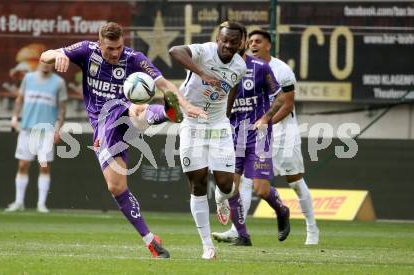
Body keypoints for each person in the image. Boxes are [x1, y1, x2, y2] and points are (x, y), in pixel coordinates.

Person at [40, 22, 205, 258]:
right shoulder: (87, 51)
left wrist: (185, 105)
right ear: (100, 44)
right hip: (103, 127)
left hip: (123, 111)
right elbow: (44, 56)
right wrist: (56, 55)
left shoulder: (134, 58)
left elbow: (164, 84)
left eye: (119, 47)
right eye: (110, 49)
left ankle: (166, 113)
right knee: (116, 187)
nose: (115, 53)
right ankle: (151, 241)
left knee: (133, 108)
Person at [213, 29, 319, 245]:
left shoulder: (279, 70)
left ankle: (311, 229)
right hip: (243, 132)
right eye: (250, 41)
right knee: (239, 183)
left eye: (257, 41)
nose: (253, 44)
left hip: (280, 131)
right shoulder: (228, 69)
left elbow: (287, 103)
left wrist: (265, 122)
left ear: (268, 45)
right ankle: (239, 231)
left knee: (293, 182)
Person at [169, 21, 251, 259]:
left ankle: (222, 199)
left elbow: (233, 88)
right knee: (198, 184)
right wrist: (202, 72)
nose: (227, 45)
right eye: (223, 40)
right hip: (192, 123)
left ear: (241, 43)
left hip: (218, 125)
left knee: (226, 185)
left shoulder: (240, 66)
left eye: (233, 42)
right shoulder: (203, 51)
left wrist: (225, 114)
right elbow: (175, 51)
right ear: (217, 39)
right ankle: (207, 246)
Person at [5, 61, 67, 213]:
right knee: (22, 165)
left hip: (46, 131)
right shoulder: (28, 78)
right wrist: (14, 117)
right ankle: (19, 202)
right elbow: (19, 99)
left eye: (49, 63)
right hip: (27, 129)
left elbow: (62, 109)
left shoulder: (59, 82)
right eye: (43, 62)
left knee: (44, 167)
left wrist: (59, 129)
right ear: (38, 63)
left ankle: (41, 204)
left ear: (52, 65)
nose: (46, 65)